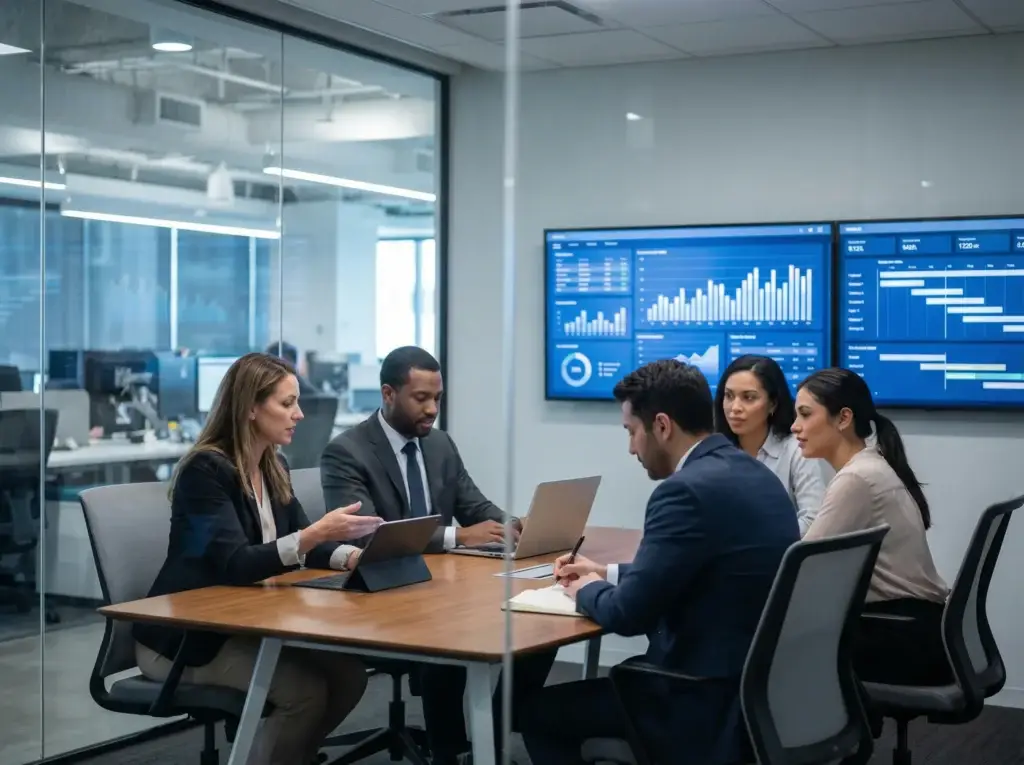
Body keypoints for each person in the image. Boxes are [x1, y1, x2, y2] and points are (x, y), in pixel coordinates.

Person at [519, 359, 799, 765]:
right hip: (754, 689)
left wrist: (585, 589)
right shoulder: (753, 474)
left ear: (663, 426)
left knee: (535, 712)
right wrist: (607, 573)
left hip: (695, 697)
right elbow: (704, 572)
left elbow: (629, 615)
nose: (631, 448)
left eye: (632, 432)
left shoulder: (684, 492)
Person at [134, 353, 384, 765]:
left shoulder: (272, 465)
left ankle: (287, 754)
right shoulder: (205, 471)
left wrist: (351, 556)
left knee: (349, 676)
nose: (299, 414)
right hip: (188, 641)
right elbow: (236, 563)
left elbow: (307, 542)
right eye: (287, 404)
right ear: (250, 407)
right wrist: (314, 534)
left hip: (245, 627)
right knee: (304, 693)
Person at [320, 345, 555, 765]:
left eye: (437, 398)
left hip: (439, 586)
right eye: (421, 398)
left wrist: (514, 525)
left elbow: (476, 507)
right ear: (388, 394)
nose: (432, 409)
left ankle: (501, 728)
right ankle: (452, 751)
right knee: (450, 638)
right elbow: (365, 536)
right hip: (379, 595)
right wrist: (457, 537)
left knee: (535, 621)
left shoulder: (439, 445)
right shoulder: (347, 452)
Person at [794, 367, 950, 687]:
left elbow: (800, 568)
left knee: (771, 650)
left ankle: (832, 735)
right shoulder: (872, 465)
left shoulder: (856, 479)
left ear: (843, 418)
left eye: (805, 415)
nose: (795, 426)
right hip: (917, 630)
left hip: (899, 636)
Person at [715, 354, 831, 534]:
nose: (735, 407)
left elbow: (813, 519)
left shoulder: (797, 449)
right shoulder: (715, 452)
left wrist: (763, 546)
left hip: (782, 557)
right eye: (729, 396)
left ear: (772, 404)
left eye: (749, 397)